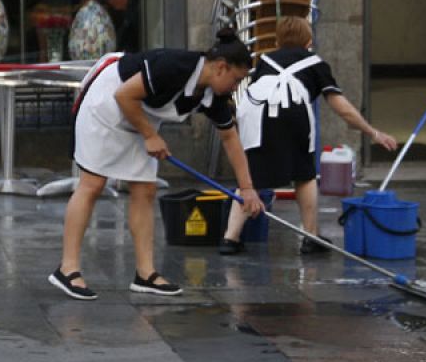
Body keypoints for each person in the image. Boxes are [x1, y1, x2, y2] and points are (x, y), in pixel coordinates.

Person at [50, 29, 265, 300]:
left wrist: (247, 189)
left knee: (145, 190)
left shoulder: (214, 96)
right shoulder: (174, 67)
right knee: (92, 184)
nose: (236, 87)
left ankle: (145, 273)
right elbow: (124, 95)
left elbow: (230, 138)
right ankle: (67, 268)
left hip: (139, 118)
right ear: (221, 67)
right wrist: (150, 136)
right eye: (236, 80)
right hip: (107, 105)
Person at [219, 16, 400, 255]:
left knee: (250, 177)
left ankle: (230, 239)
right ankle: (310, 236)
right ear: (309, 41)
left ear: (277, 40)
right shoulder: (315, 63)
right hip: (294, 116)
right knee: (304, 175)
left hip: (256, 120)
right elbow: (341, 107)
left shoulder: (264, 61)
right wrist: (372, 132)